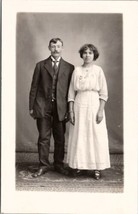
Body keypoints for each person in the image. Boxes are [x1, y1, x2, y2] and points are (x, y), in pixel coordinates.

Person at [29, 38, 74, 177]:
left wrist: (69, 109)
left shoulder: (69, 67)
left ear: (62, 48)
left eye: (58, 46)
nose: (55, 49)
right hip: (42, 106)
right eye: (53, 46)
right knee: (43, 137)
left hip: (61, 108)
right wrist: (31, 107)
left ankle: (59, 165)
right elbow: (34, 87)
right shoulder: (40, 65)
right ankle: (43, 165)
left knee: (60, 138)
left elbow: (71, 90)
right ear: (49, 47)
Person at [67, 44, 110, 180]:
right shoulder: (77, 70)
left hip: (94, 104)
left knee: (96, 134)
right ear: (81, 55)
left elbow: (103, 93)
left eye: (90, 53)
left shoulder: (98, 70)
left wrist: (100, 111)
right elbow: (71, 93)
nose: (87, 55)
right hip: (80, 104)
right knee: (80, 134)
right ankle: (79, 165)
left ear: (94, 55)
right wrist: (71, 111)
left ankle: (97, 167)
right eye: (85, 53)